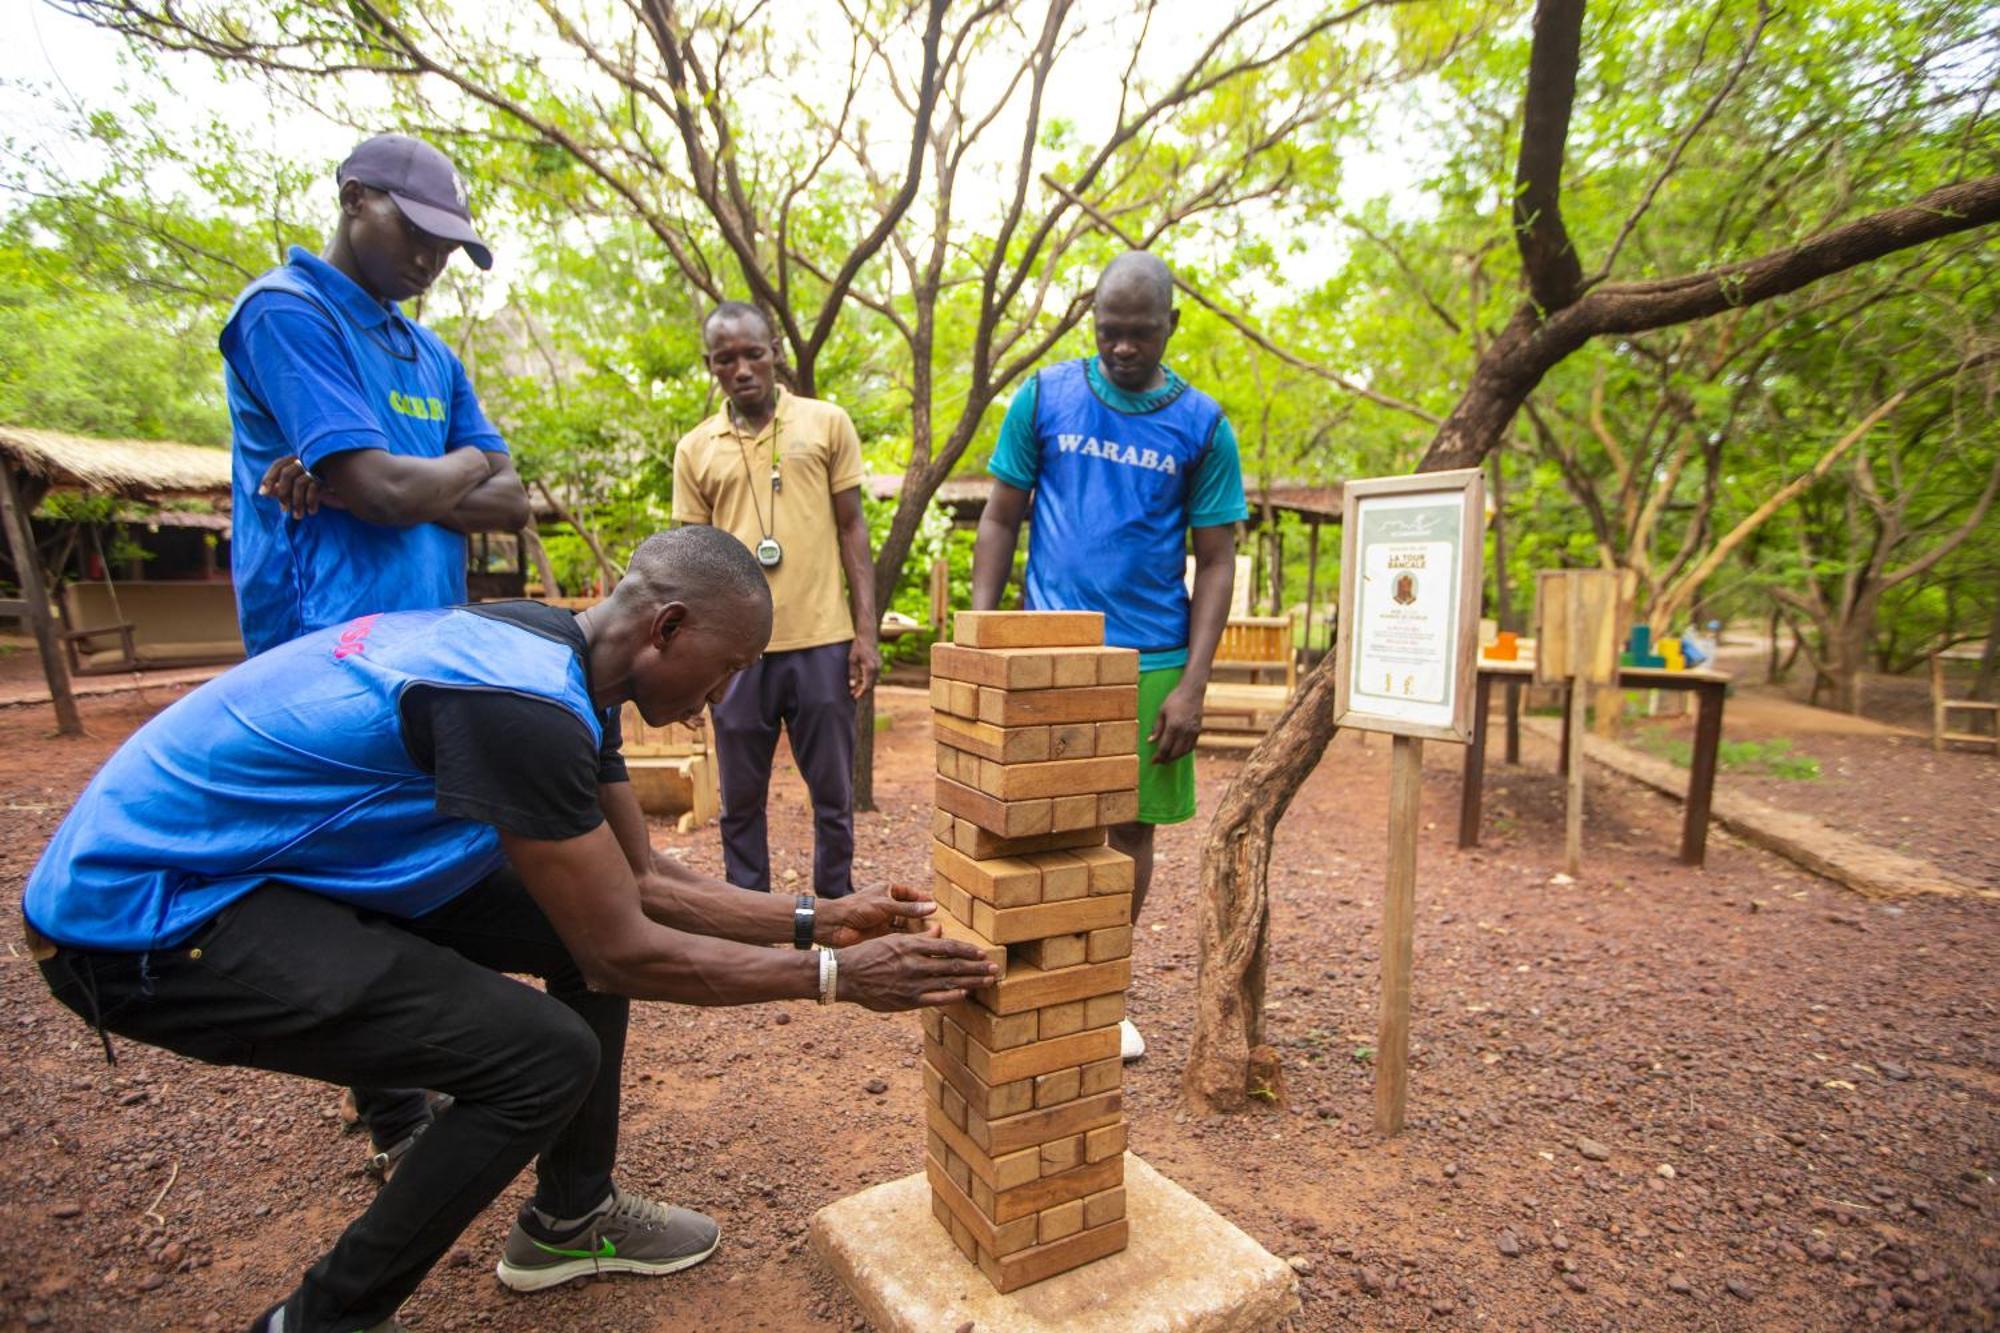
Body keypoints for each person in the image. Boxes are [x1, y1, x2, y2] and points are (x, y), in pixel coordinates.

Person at [22, 526, 994, 1333]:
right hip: (145, 913)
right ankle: (316, 1323)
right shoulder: (522, 706)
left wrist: (818, 914)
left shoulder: (556, 654)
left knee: (569, 949)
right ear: (666, 627)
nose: (725, 695)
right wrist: (836, 973)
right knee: (540, 1056)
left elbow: (643, 878)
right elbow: (621, 946)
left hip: (269, 867)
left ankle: (569, 1216)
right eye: (729, 665)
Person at [220, 132, 532, 1170]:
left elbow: (507, 495)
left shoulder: (423, 351)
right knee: (345, 869)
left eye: (451, 245)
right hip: (324, 644)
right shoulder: (285, 312)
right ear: (354, 199)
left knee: (427, 850)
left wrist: (391, 476)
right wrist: (434, 477)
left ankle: (427, 1069)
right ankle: (394, 1113)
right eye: (418, 233)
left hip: (428, 639)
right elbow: (417, 491)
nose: (433, 261)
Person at [971, 251, 1246, 1063]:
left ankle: (1099, 991)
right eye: (1109, 331)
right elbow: (999, 517)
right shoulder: (1045, 396)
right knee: (1028, 817)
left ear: (1171, 325)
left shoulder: (1202, 424)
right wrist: (982, 636)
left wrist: (1194, 683)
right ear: (1091, 321)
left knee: (1127, 830)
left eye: (1140, 334)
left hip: (1151, 656)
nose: (1124, 348)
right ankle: (1023, 980)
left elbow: (1218, 558)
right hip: (1047, 649)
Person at [672, 301, 878, 900]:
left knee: (834, 800)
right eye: (725, 359)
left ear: (775, 353)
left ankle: (838, 907)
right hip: (734, 655)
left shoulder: (826, 423)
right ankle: (751, 914)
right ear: (710, 365)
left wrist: (864, 634)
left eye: (752, 353)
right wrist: (689, 663)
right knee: (739, 803)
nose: (741, 369)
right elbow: (688, 556)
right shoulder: (696, 449)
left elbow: (852, 530)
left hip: (821, 641)